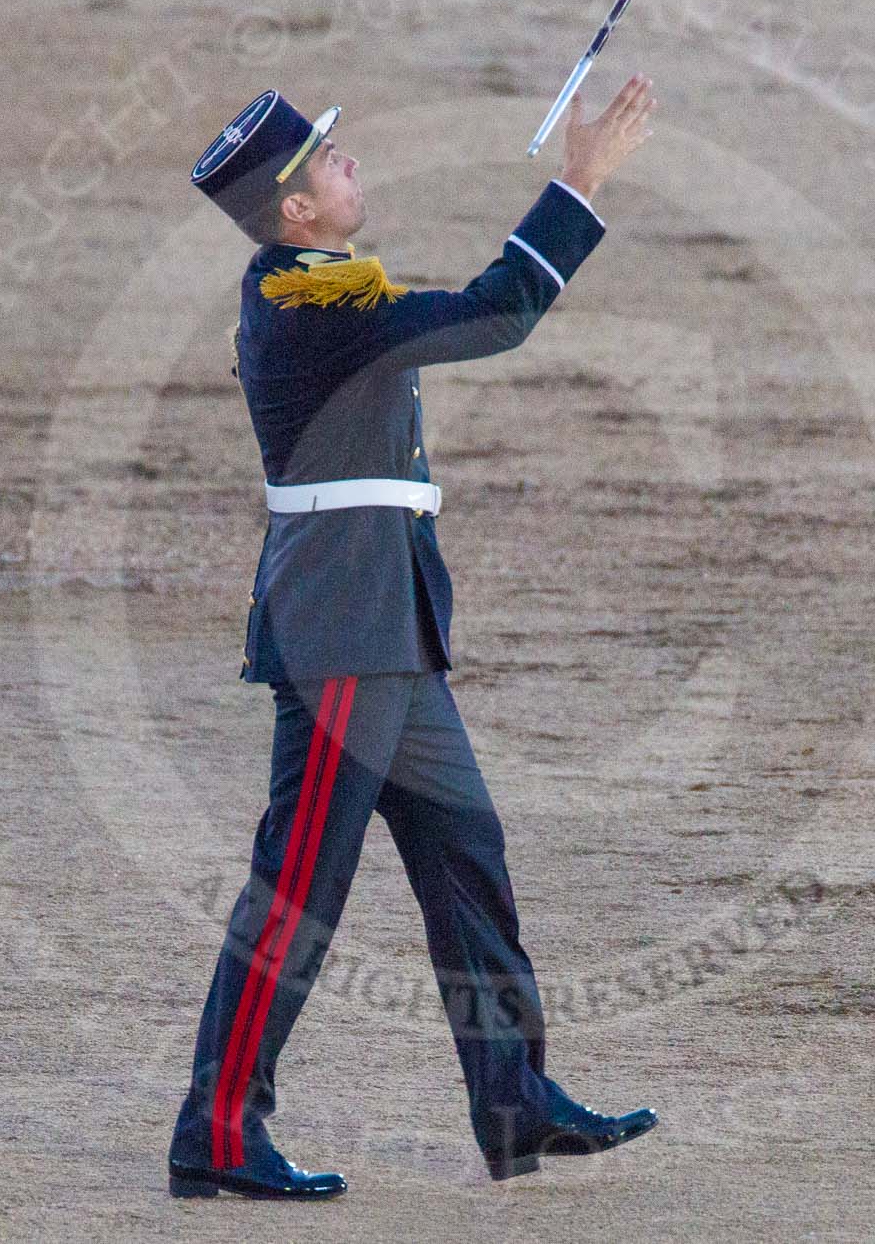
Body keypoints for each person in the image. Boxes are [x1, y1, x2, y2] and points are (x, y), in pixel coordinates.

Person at [170, 76, 659, 1201]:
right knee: (294, 894)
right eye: (327, 161)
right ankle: (218, 1134)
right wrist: (577, 180)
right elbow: (497, 311)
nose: (348, 163)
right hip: (344, 636)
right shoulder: (309, 311)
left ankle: (514, 1103)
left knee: (464, 858)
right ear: (294, 212)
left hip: (386, 630)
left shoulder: (316, 292)